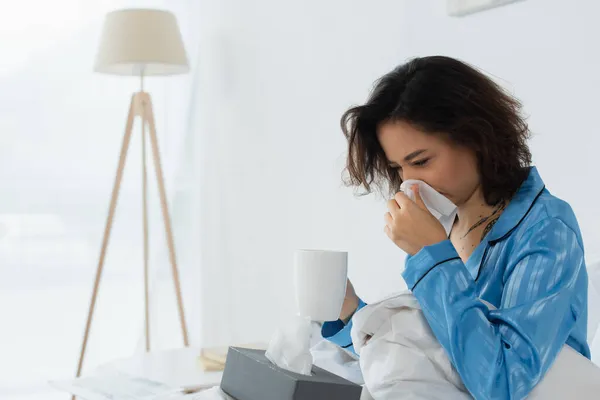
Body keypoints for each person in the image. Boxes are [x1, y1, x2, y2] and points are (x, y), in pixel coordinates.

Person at [322, 56, 591, 399]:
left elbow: (503, 383)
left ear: (476, 137)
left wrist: (432, 257)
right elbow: (429, 362)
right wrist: (346, 311)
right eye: (399, 168)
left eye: (421, 161)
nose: (410, 183)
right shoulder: (448, 222)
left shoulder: (546, 230)